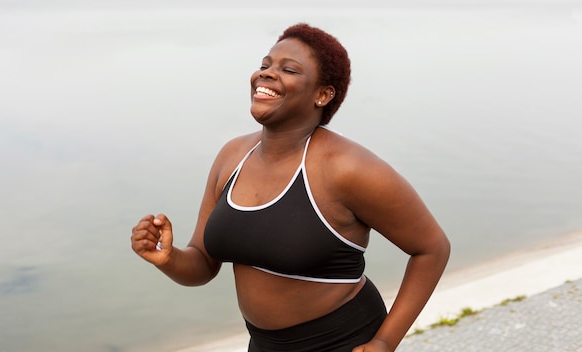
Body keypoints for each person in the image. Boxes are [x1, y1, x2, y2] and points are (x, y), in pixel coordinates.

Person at [131, 23, 450, 352]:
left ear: (322, 95)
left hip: (344, 341)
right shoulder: (232, 156)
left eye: (288, 69)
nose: (266, 74)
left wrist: (384, 341)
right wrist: (167, 258)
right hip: (263, 345)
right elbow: (202, 264)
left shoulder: (349, 168)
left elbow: (432, 248)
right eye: (265, 64)